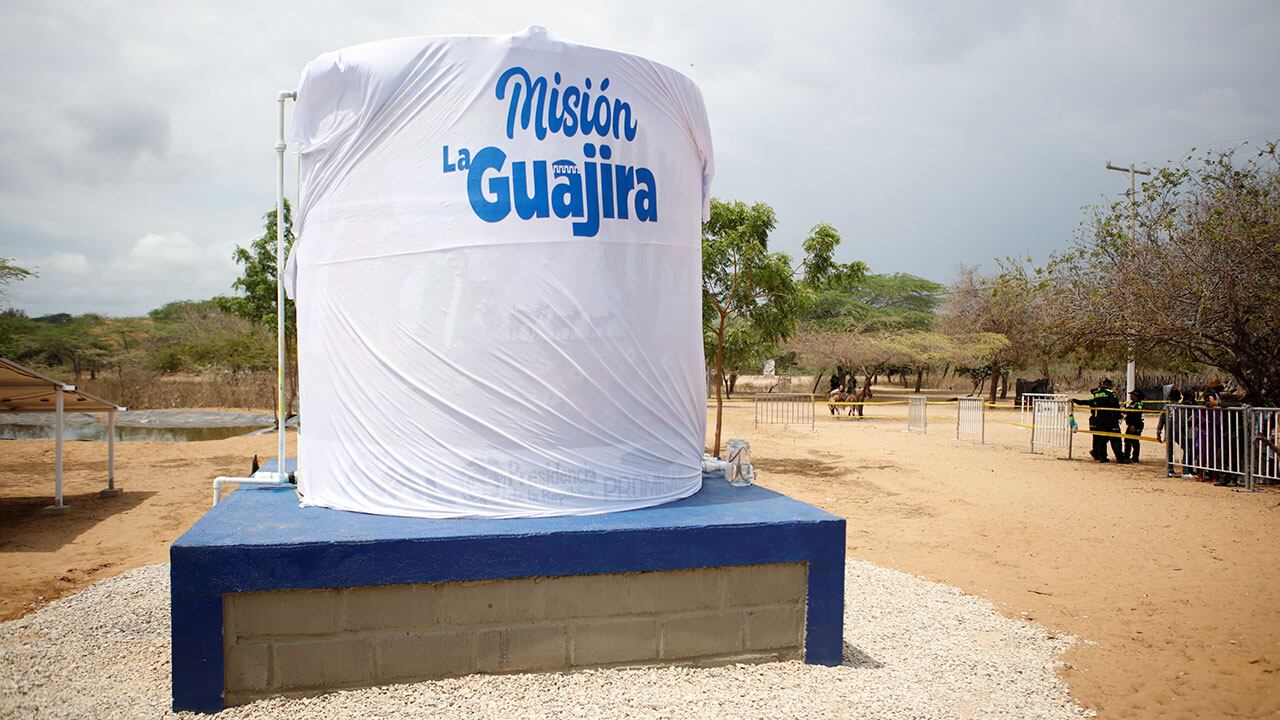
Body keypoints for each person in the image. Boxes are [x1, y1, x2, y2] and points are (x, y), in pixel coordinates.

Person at [1074, 378, 1125, 463]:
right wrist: (1119, 416)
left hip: (1098, 421)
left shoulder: (1097, 394)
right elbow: (1115, 406)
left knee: (1101, 439)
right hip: (1111, 420)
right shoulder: (1111, 393)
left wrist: (1075, 400)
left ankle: (1102, 457)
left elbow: (1087, 402)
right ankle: (1119, 458)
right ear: (1109, 385)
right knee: (1116, 439)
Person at [1123, 389, 1145, 463]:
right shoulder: (1132, 403)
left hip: (1136, 425)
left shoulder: (1139, 404)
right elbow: (1128, 411)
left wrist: (1133, 425)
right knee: (1127, 441)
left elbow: (1137, 415)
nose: (1130, 396)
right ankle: (1127, 456)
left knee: (1134, 441)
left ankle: (1135, 457)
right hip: (1130, 424)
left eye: (1132, 394)